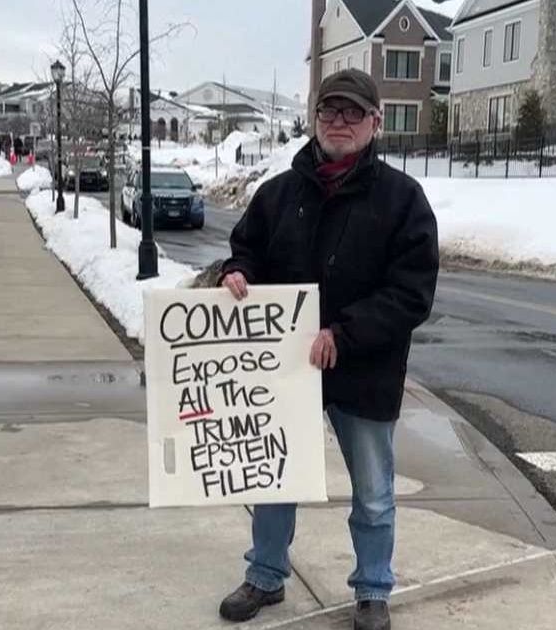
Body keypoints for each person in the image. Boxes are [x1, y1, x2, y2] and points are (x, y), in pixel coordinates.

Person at [216, 69, 439, 630]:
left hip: (363, 372)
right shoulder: (277, 194)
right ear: (314, 119)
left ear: (375, 122)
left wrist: (344, 333)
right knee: (274, 477)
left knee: (373, 491)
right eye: (329, 111)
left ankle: (372, 589)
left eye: (352, 112)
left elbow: (411, 293)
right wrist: (237, 272)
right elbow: (247, 249)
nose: (339, 121)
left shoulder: (403, 200)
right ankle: (265, 575)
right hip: (285, 370)